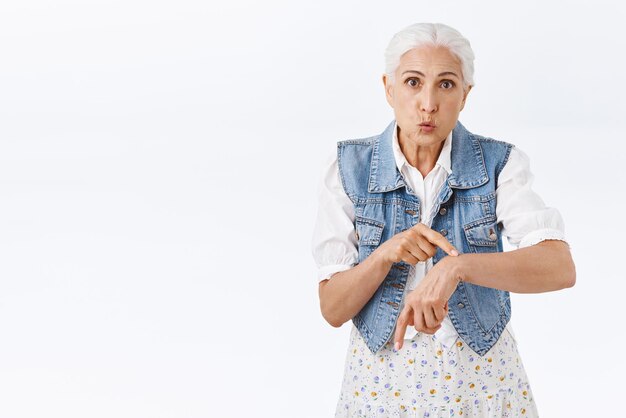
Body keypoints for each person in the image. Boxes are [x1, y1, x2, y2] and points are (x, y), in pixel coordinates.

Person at [311, 22, 576, 417]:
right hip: (381, 388)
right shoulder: (349, 168)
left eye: (446, 85)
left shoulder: (499, 164)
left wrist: (457, 268)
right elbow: (333, 308)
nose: (428, 103)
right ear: (389, 88)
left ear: (466, 95)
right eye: (413, 82)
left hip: (481, 382)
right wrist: (385, 255)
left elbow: (559, 268)